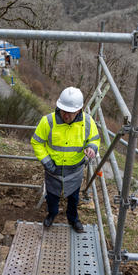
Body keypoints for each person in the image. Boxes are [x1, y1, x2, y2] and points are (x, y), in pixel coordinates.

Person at [31, 87, 100, 233]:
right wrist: (46, 161)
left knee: (74, 198)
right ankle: (52, 214)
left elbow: (94, 139)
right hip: (53, 169)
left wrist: (92, 148)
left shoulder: (88, 122)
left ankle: (73, 219)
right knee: (52, 196)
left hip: (75, 170)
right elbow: (36, 142)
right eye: (63, 110)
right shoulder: (48, 121)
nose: (66, 115)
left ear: (79, 110)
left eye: (70, 112)